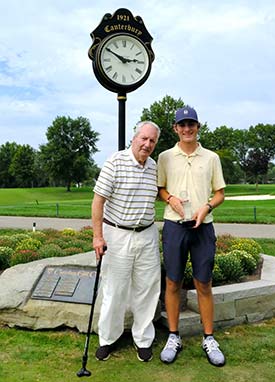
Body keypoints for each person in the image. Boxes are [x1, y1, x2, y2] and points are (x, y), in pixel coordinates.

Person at [157, 106, 226, 367]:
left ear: (198, 127)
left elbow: (219, 193)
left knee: (203, 284)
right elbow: (160, 189)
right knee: (173, 283)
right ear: (175, 128)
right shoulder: (165, 157)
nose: (187, 129)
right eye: (182, 125)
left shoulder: (211, 158)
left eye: (191, 124)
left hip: (203, 226)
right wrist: (171, 198)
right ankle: (174, 336)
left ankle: (209, 338)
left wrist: (206, 207)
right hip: (174, 226)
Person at [92, 121, 161, 363]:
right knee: (115, 290)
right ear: (134, 138)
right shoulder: (115, 161)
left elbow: (161, 192)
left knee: (147, 289)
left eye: (152, 141)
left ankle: (143, 339)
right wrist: (97, 236)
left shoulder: (154, 166)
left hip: (147, 234)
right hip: (117, 235)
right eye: (143, 138)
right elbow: (98, 201)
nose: (147, 144)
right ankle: (107, 339)